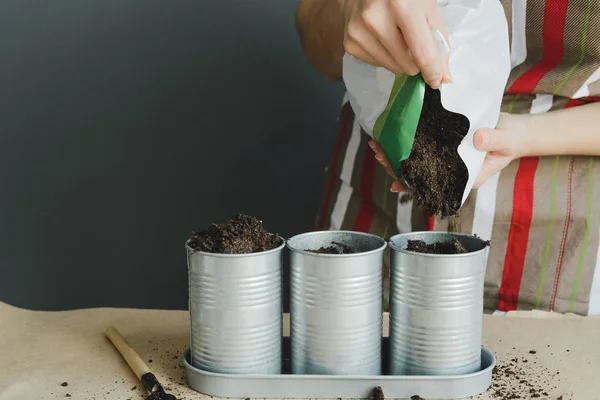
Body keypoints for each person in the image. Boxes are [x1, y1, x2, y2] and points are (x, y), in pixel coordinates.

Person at [296, 0, 600, 315]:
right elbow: (315, 41)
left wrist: (526, 134)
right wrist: (352, 8)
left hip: (550, 256)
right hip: (370, 224)